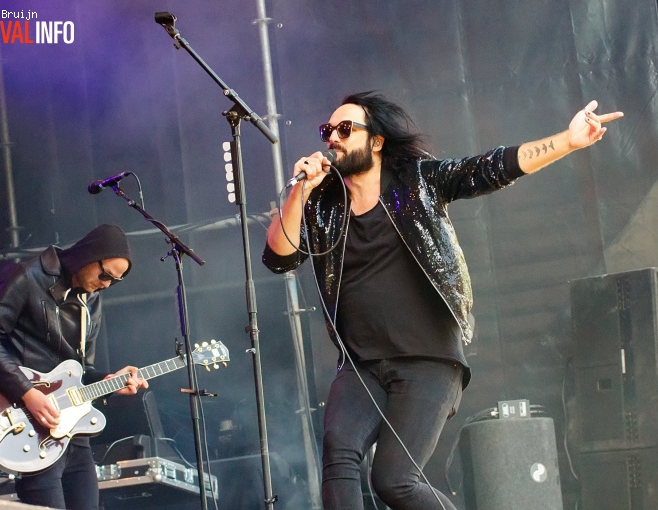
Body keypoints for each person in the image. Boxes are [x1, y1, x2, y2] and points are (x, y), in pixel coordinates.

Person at [263, 92, 623, 509]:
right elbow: (279, 257)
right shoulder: (322, 203)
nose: (333, 139)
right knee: (338, 458)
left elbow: (488, 168)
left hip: (428, 359)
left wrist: (568, 140)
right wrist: (300, 194)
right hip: (361, 363)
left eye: (345, 129)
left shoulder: (417, 181)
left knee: (393, 480)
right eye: (328, 131)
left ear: (376, 141)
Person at [0, 223, 149, 510]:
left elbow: (81, 370)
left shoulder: (91, 301)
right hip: (29, 424)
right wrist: (28, 393)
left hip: (73, 434)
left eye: (114, 281)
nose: (105, 284)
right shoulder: (26, 276)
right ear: (89, 255)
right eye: (104, 275)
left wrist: (110, 379)